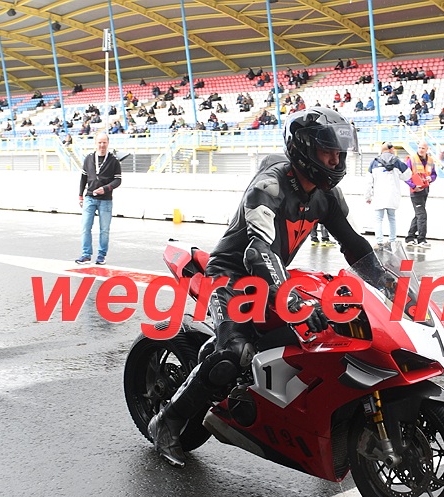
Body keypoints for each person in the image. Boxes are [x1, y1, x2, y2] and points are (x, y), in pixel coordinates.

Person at [148, 107, 379, 468]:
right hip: (231, 277)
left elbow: (353, 245)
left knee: (334, 333)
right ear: (304, 150)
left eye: (340, 153)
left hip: (274, 274)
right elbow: (258, 251)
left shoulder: (326, 195)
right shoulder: (268, 187)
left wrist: (389, 283)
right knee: (235, 353)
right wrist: (294, 303)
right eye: (328, 152)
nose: (336, 161)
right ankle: (167, 422)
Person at [75, 133, 121, 266]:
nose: (102, 145)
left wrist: (106, 188)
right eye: (99, 142)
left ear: (108, 143)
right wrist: (80, 195)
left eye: (104, 142)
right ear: (95, 143)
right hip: (89, 197)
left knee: (104, 229)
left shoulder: (114, 161)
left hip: (106, 200)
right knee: (85, 227)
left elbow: (118, 180)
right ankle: (86, 254)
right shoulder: (89, 158)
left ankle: (101, 255)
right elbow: (83, 178)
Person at [366, 142, 411, 248]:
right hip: (392, 195)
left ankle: (379, 242)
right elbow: (408, 175)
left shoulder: (374, 162)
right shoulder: (397, 162)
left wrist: (368, 196)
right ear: (390, 149)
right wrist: (397, 175)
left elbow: (368, 182)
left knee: (378, 219)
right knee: (392, 218)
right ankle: (392, 240)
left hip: (379, 195)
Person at [404, 142, 437, 248]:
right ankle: (421, 239)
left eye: (423, 148)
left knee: (418, 214)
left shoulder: (430, 160)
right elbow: (405, 176)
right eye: (419, 147)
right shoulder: (412, 160)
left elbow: (434, 174)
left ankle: (410, 237)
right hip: (415, 191)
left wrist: (430, 178)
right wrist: (414, 186)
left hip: (425, 190)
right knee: (422, 215)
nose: (421, 150)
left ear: (427, 149)